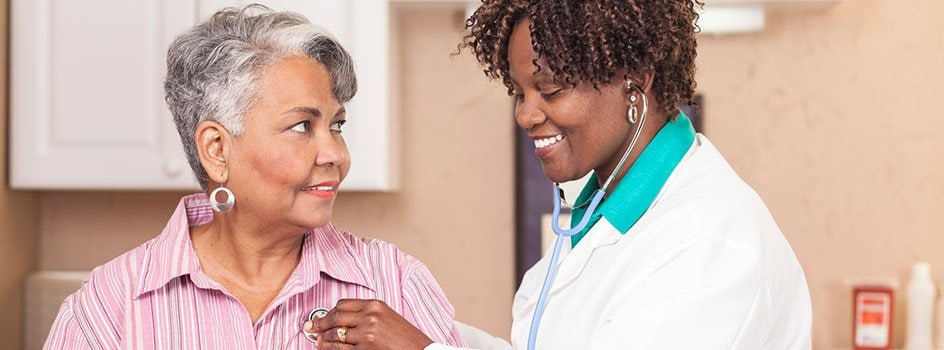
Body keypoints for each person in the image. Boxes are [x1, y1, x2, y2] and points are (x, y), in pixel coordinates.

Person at [308, 0, 812, 349]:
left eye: (549, 90)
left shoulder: (709, 242)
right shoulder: (603, 209)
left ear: (633, 82)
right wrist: (431, 334)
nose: (526, 115)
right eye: (519, 93)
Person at [43, 5, 465, 349]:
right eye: (303, 126)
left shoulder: (396, 283)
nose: (337, 153)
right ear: (216, 149)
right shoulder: (111, 306)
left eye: (337, 125)